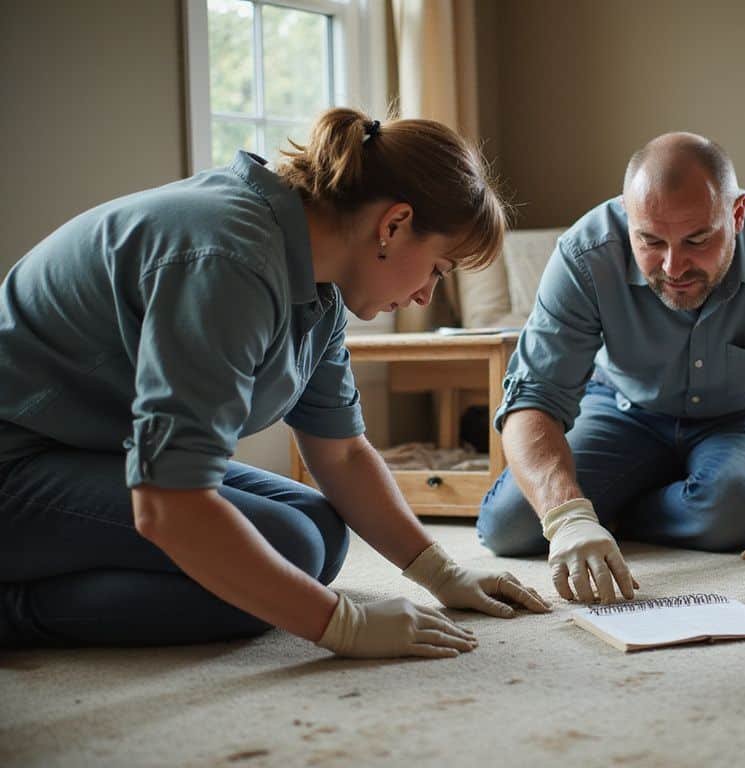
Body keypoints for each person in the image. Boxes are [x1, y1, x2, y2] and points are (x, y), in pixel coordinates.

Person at [0, 108, 551, 657]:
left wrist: (442, 574)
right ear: (393, 224)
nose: (427, 295)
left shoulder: (317, 283)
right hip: (18, 456)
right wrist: (342, 626)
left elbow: (341, 456)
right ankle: (15, 613)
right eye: (438, 268)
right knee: (270, 559)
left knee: (318, 531)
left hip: (84, 451)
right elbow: (169, 504)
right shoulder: (229, 258)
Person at [477, 132, 745, 604]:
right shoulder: (584, 254)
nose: (673, 265)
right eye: (650, 240)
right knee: (511, 527)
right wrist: (569, 517)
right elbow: (532, 395)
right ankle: (629, 499)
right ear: (626, 215)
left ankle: (634, 499)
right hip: (625, 407)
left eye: (697, 239)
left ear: (736, 214)